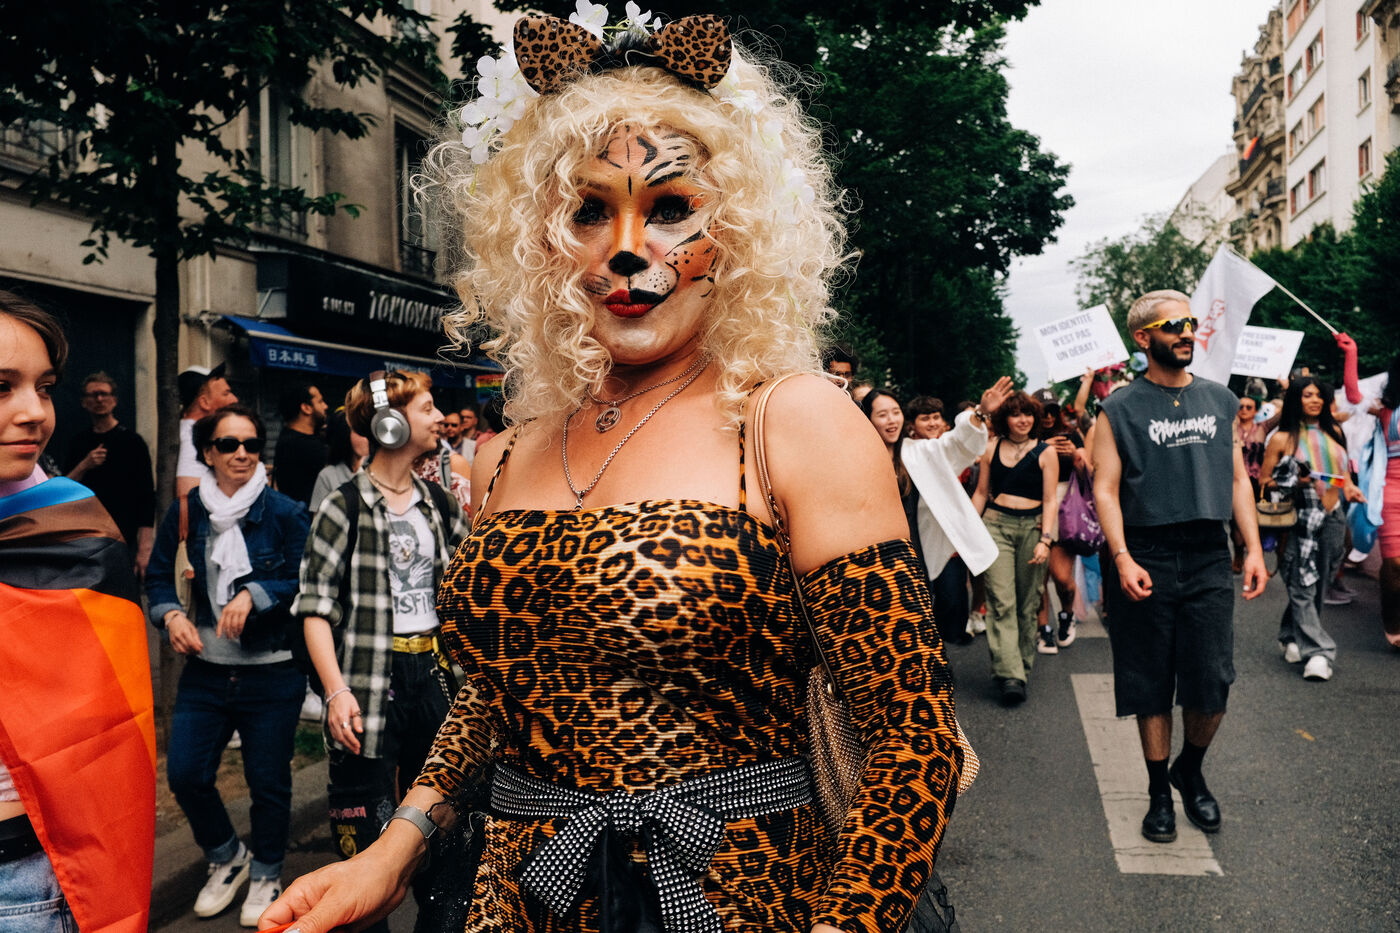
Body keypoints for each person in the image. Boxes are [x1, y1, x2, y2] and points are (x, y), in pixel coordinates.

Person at [265, 12, 964, 933]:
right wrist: (389, 852)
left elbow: (912, 741)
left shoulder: (793, 423)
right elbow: (494, 699)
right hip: (523, 901)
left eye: (670, 209)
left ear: (736, 230)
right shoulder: (505, 452)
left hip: (735, 901)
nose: (626, 246)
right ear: (542, 238)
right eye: (588, 211)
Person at [0, 291, 156, 933]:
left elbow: (107, 739)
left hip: (28, 883)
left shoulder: (71, 531)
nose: (34, 412)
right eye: (1, 387)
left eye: (44, 387)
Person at [291, 370, 469, 932]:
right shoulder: (342, 505)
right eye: (427, 408)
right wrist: (335, 691)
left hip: (434, 675)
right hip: (370, 679)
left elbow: (469, 593)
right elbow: (315, 607)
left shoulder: (440, 504)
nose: (440, 418)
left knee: (446, 820)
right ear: (389, 424)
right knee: (363, 825)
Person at [1093, 289, 1267, 845]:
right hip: (1145, 552)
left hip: (1208, 552)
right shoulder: (1118, 408)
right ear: (1144, 338)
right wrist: (1122, 556)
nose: (1187, 332)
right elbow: (1105, 489)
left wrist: (1253, 548)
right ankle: (1158, 795)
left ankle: (1189, 769)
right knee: (1150, 680)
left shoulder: (1220, 399)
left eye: (1190, 322)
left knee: (1211, 681)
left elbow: (1238, 480)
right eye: (1173, 325)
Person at [146, 404, 310, 925]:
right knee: (186, 774)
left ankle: (266, 871)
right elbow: (156, 577)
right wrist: (171, 614)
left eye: (252, 444)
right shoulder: (189, 511)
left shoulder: (285, 511)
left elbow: (306, 579)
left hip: (273, 671)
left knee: (267, 782)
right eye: (229, 444)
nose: (242, 453)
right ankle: (227, 856)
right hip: (207, 670)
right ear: (208, 453)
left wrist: (254, 594)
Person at [1259, 377, 1366, 682]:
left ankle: (1290, 635)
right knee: (1301, 580)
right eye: (1307, 395)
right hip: (1300, 518)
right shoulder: (1281, 438)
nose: (1315, 400)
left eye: (1320, 395)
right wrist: (1294, 479)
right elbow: (1264, 483)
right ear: (1296, 399)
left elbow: (1344, 476)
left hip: (1333, 518)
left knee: (1319, 580)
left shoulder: (1335, 432)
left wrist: (1352, 490)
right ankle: (1319, 652)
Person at [970, 391, 1058, 704]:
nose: (1023, 420)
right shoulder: (991, 447)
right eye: (1015, 414)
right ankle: (1010, 675)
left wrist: (1046, 540)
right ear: (1004, 418)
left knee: (1027, 603)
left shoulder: (1047, 452)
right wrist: (967, 530)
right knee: (1001, 600)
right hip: (996, 526)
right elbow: (981, 493)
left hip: (1033, 529)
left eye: (1028, 414)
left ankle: (1020, 665)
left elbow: (1050, 500)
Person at [63, 370, 156, 576]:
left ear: (114, 400)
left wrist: (145, 549)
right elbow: (64, 489)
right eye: (93, 395)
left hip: (123, 537)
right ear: (84, 402)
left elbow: (147, 498)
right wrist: (85, 465)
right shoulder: (79, 443)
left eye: (104, 394)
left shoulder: (132, 442)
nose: (99, 399)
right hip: (86, 537)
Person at [1031, 387, 1085, 650]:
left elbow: (1090, 474)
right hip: (1033, 505)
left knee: (1062, 577)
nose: (1049, 417)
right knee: (1037, 580)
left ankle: (1067, 614)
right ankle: (1043, 629)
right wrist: (1041, 450)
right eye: (1043, 412)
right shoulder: (1026, 437)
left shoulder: (1071, 434)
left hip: (1065, 507)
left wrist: (1075, 455)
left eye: (1052, 411)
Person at [176, 363, 239, 498]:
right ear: (204, 402)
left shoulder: (197, 433)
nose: (234, 399)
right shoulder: (191, 439)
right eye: (226, 394)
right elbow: (187, 495)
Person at [272, 382, 329, 506]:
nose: (325, 406)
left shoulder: (288, 438)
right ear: (306, 408)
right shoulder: (304, 446)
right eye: (320, 402)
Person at [309, 409, 369, 512]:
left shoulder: (377, 469)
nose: (366, 438)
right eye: (360, 432)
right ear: (345, 435)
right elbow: (317, 517)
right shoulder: (327, 475)